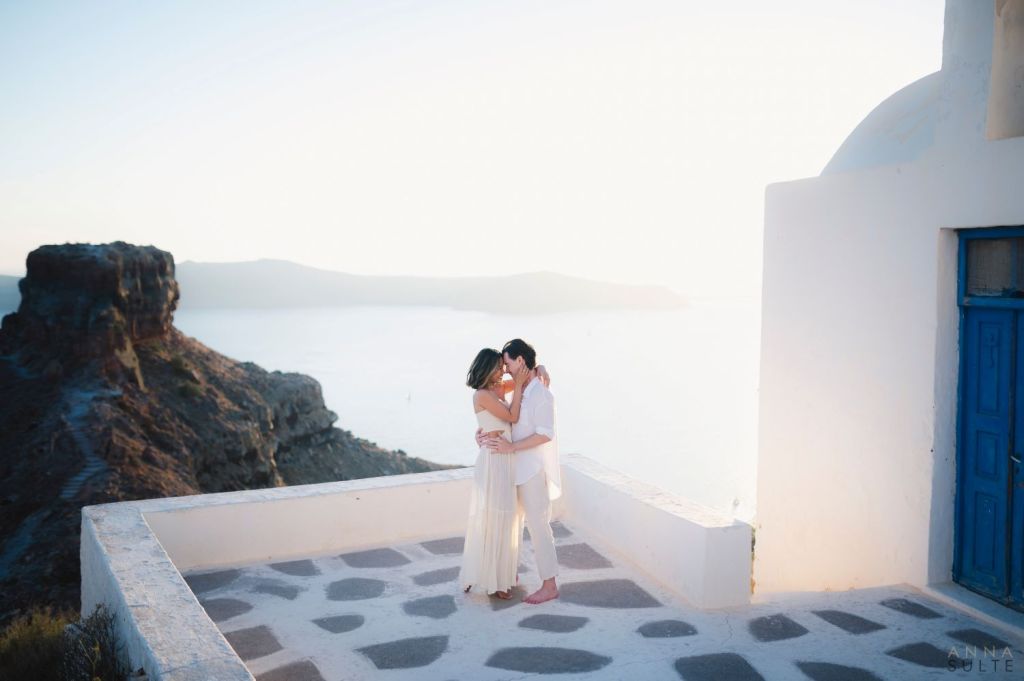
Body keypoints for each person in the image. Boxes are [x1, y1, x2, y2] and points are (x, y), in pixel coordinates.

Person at [479, 338, 561, 605]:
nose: (503, 368)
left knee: (539, 527)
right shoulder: (514, 388)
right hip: (511, 469)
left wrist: (512, 446)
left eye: (507, 362)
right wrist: (481, 433)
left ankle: (550, 585)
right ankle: (507, 575)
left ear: (521, 361)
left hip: (532, 471)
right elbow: (495, 411)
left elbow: (545, 435)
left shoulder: (541, 394)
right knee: (511, 525)